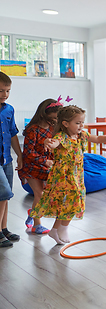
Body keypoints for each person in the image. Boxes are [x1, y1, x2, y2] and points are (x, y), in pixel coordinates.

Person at [31, 105, 106, 245]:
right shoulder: (61, 137)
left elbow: (97, 138)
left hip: (77, 175)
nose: (81, 126)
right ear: (65, 124)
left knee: (68, 204)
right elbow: (54, 143)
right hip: (63, 177)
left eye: (82, 122)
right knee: (74, 201)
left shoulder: (81, 135)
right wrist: (47, 142)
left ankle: (55, 230)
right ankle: (64, 228)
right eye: (77, 123)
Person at [19, 98, 62, 234]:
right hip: (31, 167)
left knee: (44, 195)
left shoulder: (51, 129)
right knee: (40, 194)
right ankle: (37, 225)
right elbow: (28, 152)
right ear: (45, 114)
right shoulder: (33, 130)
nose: (56, 120)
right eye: (55, 117)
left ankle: (33, 212)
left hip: (45, 167)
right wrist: (45, 161)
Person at [0, 72, 23, 247]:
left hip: (6, 159)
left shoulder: (9, 109)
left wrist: (20, 156)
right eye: (1, 91)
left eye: (7, 91)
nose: (5, 95)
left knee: (5, 197)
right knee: (4, 193)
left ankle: (4, 228)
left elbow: (13, 134)